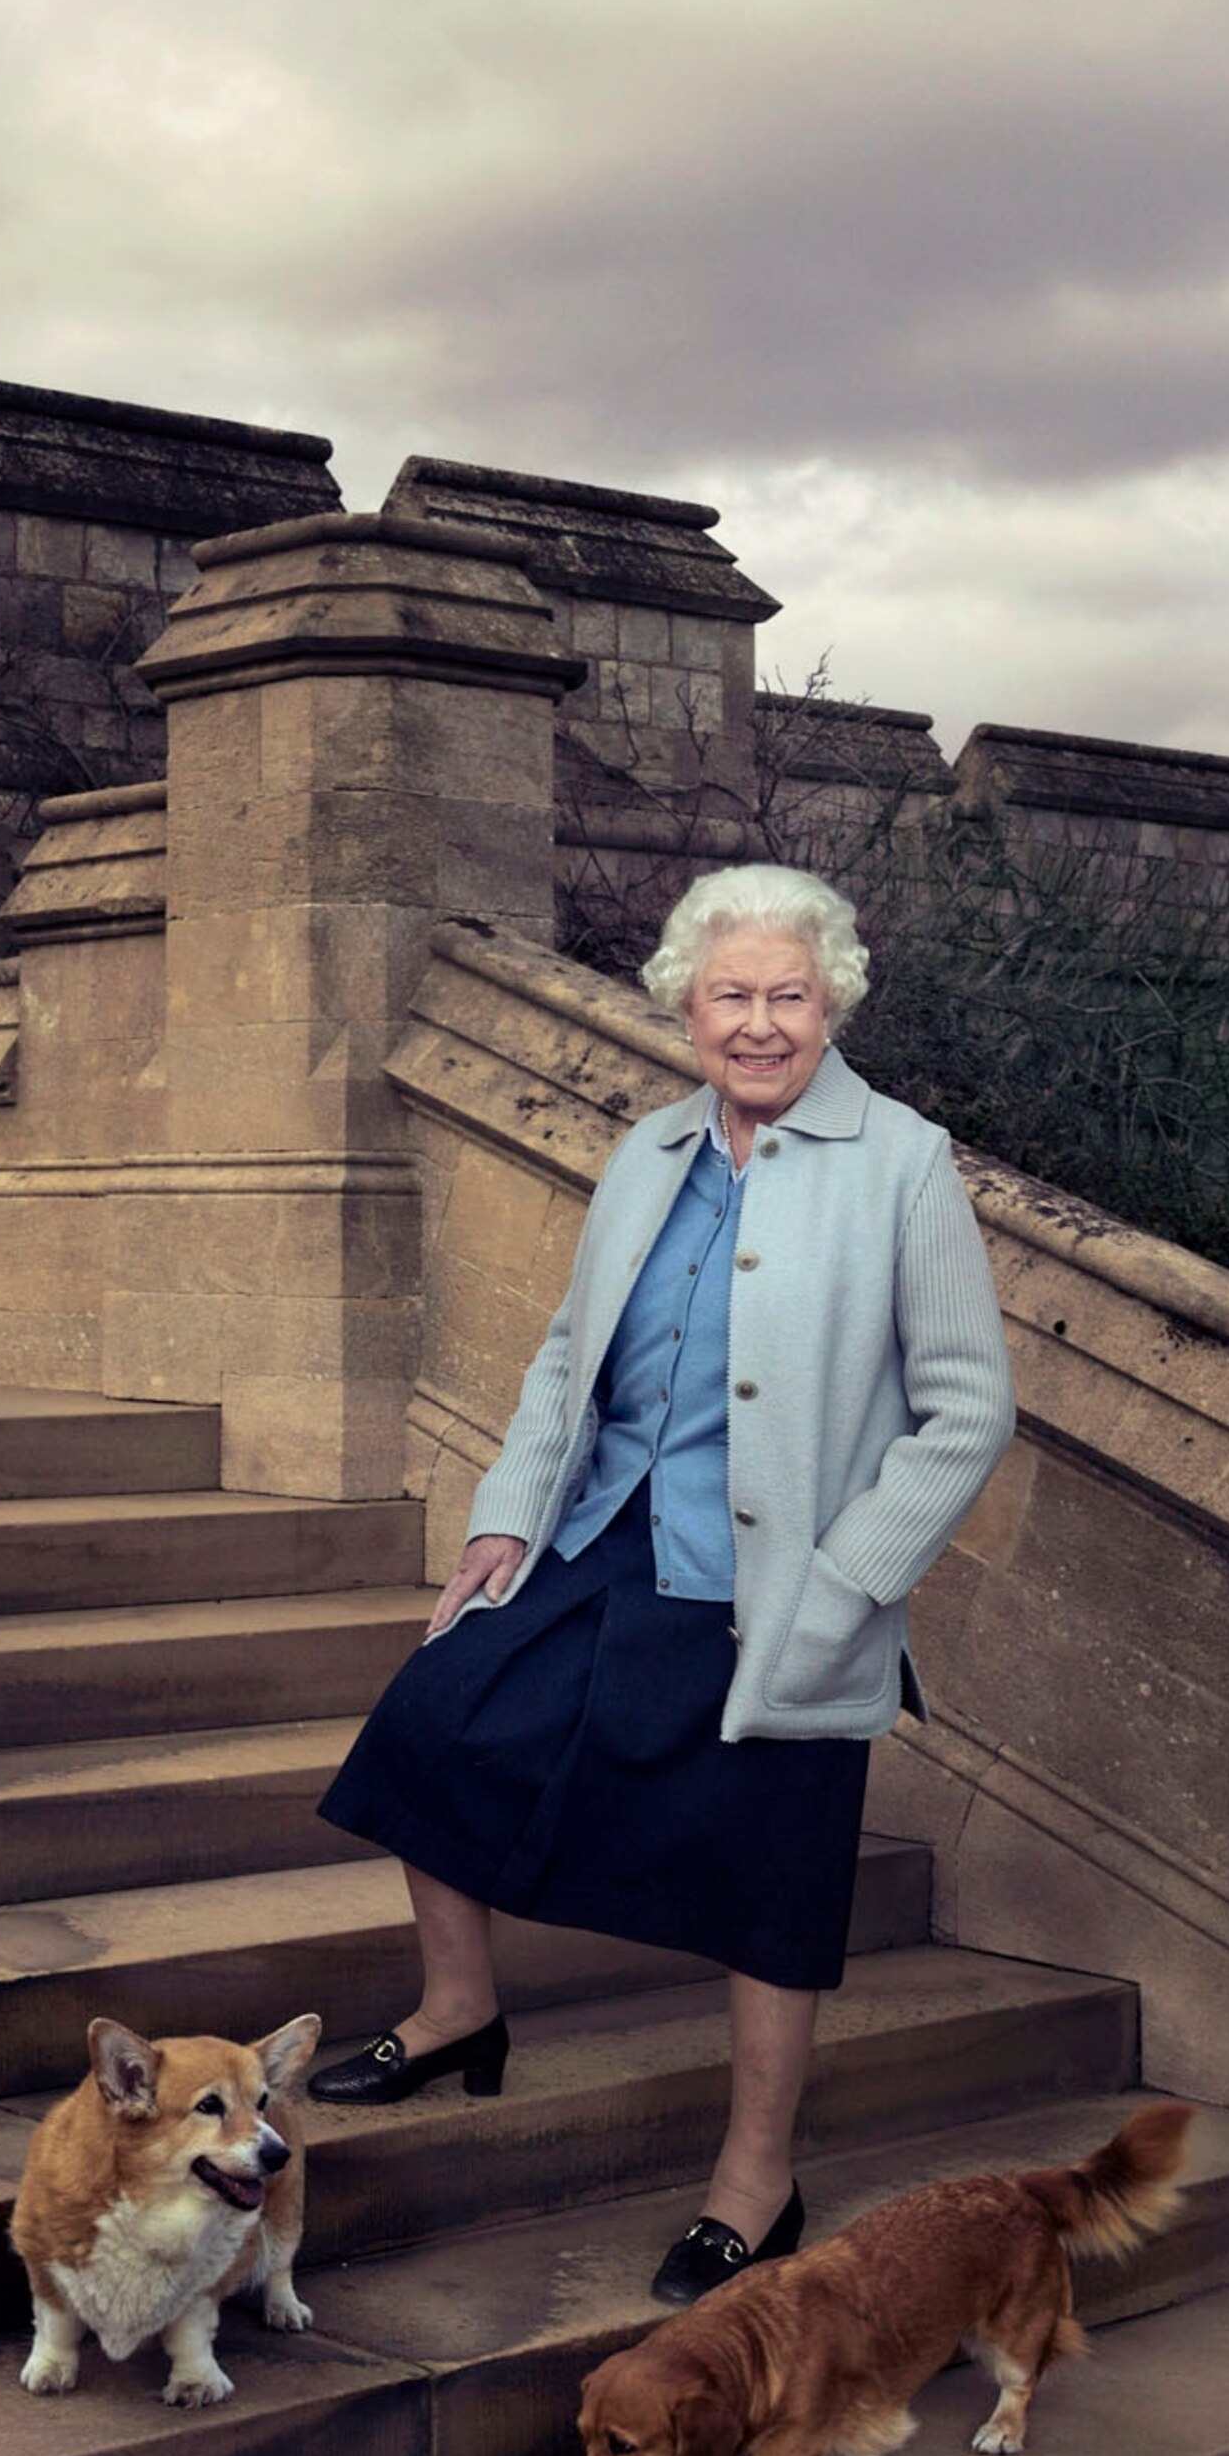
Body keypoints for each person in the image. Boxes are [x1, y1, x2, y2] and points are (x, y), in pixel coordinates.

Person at [311, 861, 1016, 2302]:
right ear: (685, 1006)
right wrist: (508, 1516)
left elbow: (968, 1407)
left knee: (772, 1874)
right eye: (730, 997)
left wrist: (851, 1585)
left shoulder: (902, 1162)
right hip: (608, 1532)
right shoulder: (647, 1153)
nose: (757, 1024)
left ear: (833, 1005)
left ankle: (757, 2181)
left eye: (788, 997)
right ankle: (458, 2012)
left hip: (782, 1582)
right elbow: (573, 1355)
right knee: (433, 1721)